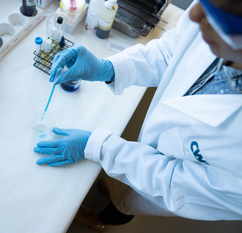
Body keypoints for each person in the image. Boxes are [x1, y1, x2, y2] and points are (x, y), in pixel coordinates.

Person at [34, 0, 242, 231]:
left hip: (162, 187)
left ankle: (100, 219)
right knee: (118, 183)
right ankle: (111, 187)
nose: (193, 14)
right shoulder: (214, 18)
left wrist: (97, 147)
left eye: (218, 14)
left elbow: (175, 185)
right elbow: (172, 51)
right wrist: (108, 68)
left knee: (126, 204)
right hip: (148, 149)